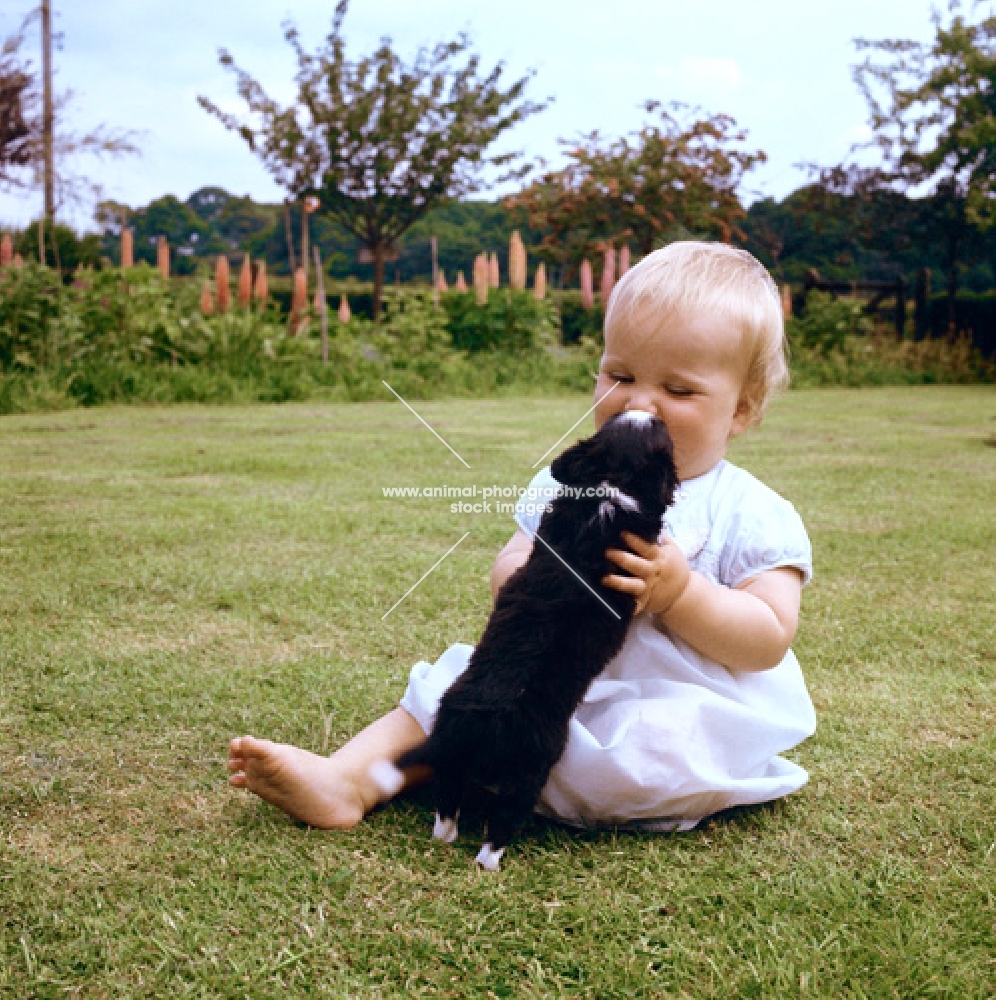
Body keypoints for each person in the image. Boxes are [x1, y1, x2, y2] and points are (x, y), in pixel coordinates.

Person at [227, 241, 816, 832]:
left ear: (742, 408)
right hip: (546, 681)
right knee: (453, 683)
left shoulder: (754, 512)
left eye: (679, 390)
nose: (639, 403)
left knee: (655, 746)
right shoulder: (570, 482)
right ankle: (349, 780)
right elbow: (511, 564)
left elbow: (767, 637)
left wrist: (680, 596)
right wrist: (533, 578)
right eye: (620, 375)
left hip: (664, 706)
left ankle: (533, 780)